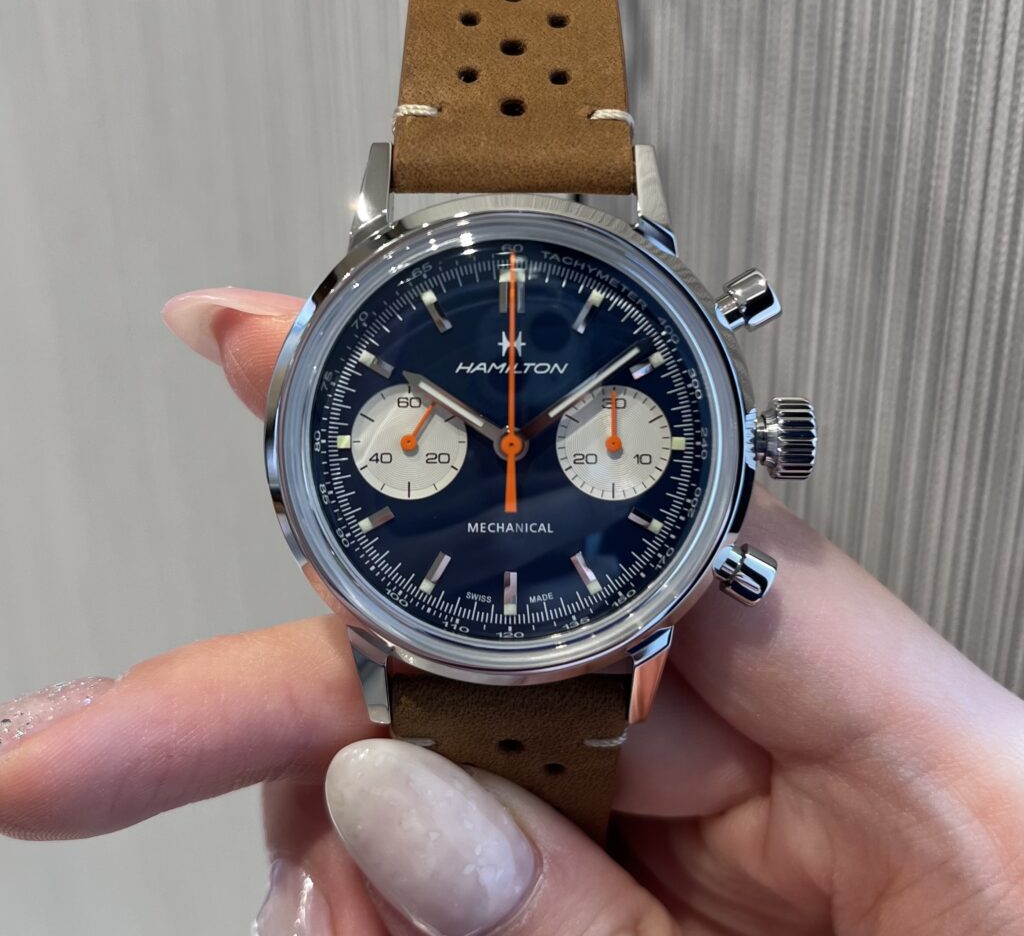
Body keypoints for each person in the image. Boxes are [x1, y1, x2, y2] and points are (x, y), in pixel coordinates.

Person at [2, 287, 1022, 936]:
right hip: (455, 613)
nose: (512, 451)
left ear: (759, 441)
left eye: (538, 444)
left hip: (586, 621)